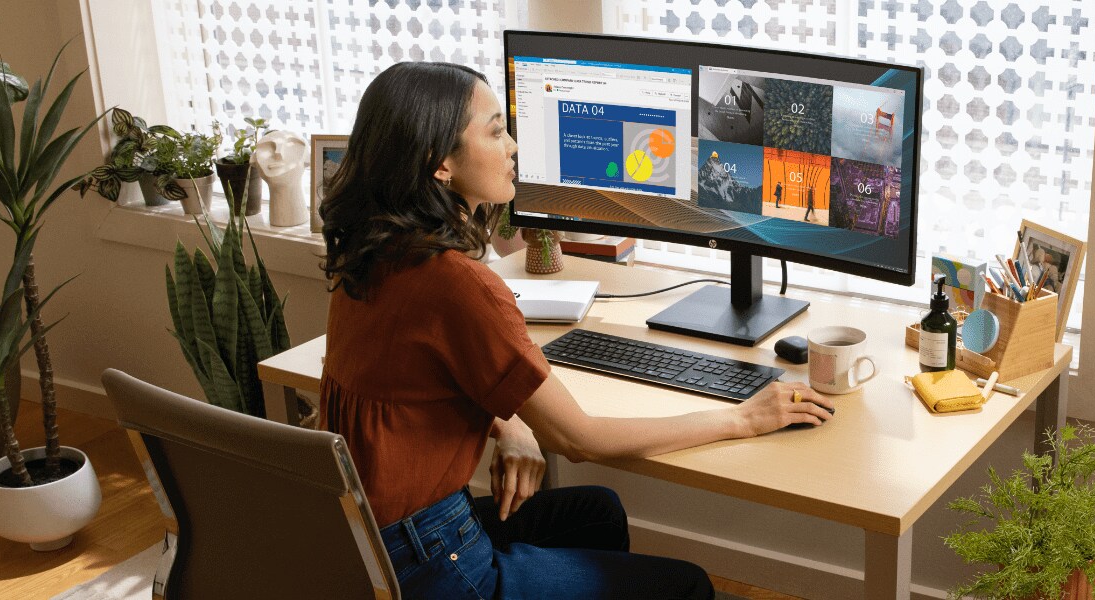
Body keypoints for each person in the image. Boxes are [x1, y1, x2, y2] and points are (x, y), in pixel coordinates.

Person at [319, 62, 835, 600]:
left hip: (368, 542)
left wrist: (509, 423)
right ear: (439, 163)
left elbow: (412, 386)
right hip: (434, 564)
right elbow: (580, 440)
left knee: (597, 512)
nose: (515, 145)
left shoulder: (369, 254)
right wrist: (743, 418)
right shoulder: (456, 284)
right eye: (496, 130)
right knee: (687, 586)